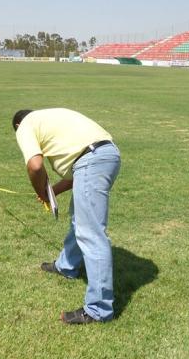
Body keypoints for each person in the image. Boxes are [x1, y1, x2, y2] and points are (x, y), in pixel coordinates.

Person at [12, 108, 121, 324]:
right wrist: (51, 193)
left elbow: (35, 166)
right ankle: (67, 266)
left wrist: (40, 190)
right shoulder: (49, 119)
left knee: (91, 234)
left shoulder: (25, 125)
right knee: (79, 220)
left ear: (17, 126)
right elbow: (78, 172)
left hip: (92, 160)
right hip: (107, 154)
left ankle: (98, 310)